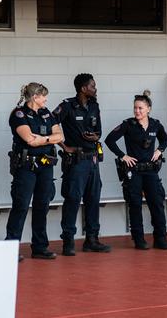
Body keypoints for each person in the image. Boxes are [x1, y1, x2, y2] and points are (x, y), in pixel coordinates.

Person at [52, 73, 111, 256]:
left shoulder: (94, 105)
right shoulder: (67, 106)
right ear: (83, 88)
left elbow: (99, 130)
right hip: (76, 161)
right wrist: (64, 145)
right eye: (93, 86)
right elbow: (51, 122)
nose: (95, 89)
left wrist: (96, 137)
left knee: (93, 199)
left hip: (93, 159)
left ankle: (91, 239)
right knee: (73, 199)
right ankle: (68, 241)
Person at [105, 90, 167, 250]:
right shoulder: (128, 124)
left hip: (151, 171)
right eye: (135, 108)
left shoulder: (156, 124)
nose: (137, 111)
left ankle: (160, 238)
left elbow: (165, 139)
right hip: (133, 171)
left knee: (156, 203)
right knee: (135, 204)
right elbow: (109, 140)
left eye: (140, 108)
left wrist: (160, 150)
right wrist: (123, 156)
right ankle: (139, 239)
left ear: (148, 108)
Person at [6, 83, 63, 261]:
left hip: (45, 166)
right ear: (35, 97)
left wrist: (44, 139)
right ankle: (11, 248)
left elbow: (60, 136)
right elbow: (29, 140)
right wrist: (47, 139)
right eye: (43, 96)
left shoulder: (47, 113)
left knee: (42, 206)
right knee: (21, 206)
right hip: (26, 167)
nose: (46, 100)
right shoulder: (18, 115)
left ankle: (40, 247)